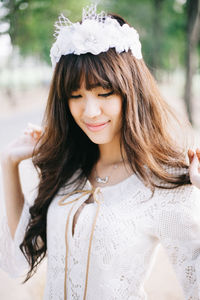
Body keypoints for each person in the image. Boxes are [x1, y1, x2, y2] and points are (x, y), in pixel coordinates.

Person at [1, 4, 200, 300]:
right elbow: (19, 259)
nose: (90, 111)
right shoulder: (68, 169)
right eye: (76, 96)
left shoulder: (163, 182)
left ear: (130, 92)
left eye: (104, 93)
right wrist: (8, 163)